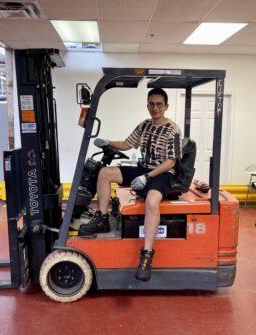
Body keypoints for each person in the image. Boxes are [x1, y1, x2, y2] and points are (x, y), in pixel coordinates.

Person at [78, 88, 182, 281]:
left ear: (166, 106)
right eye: (151, 104)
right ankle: (102, 219)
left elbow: (171, 162)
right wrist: (108, 142)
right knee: (104, 172)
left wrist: (147, 177)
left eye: (159, 104)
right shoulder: (144, 125)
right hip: (145, 169)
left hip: (163, 173)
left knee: (152, 202)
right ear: (147, 106)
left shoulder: (172, 129)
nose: (155, 107)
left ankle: (147, 254)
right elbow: (127, 144)